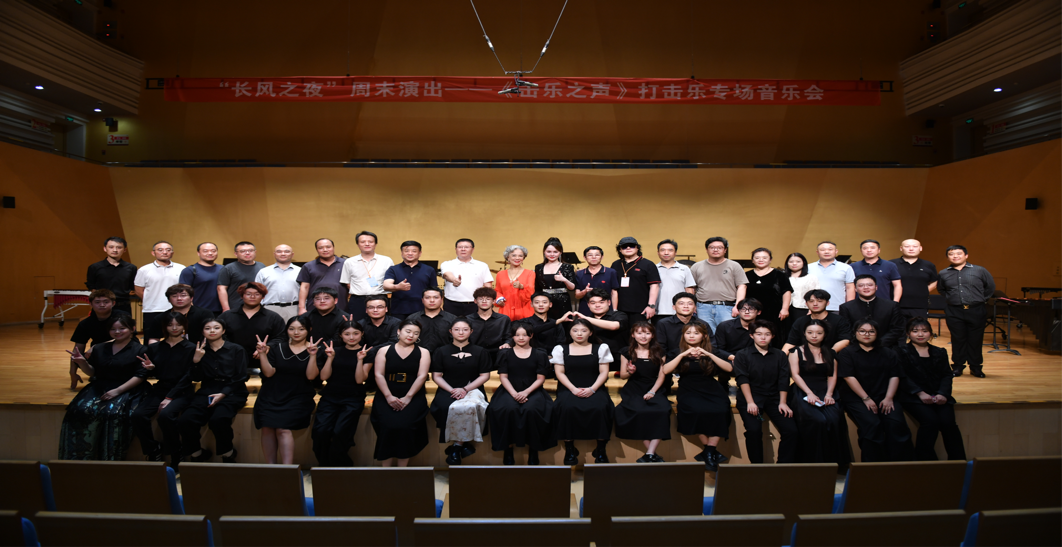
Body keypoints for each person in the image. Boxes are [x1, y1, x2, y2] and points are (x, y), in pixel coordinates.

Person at [60, 315, 148, 460]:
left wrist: (117, 391)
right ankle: (79, 458)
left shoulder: (141, 349)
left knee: (114, 413)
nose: (117, 332)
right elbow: (93, 372)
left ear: (132, 329)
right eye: (113, 329)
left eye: (122, 328)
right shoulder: (99, 348)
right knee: (78, 410)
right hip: (101, 386)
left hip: (128, 388)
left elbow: (140, 376)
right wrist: (82, 363)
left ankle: (110, 458)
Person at [837, 318, 915, 462]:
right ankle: (872, 467)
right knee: (872, 424)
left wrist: (889, 398)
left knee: (896, 424)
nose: (866, 334)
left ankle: (901, 466)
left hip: (885, 396)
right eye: (862, 331)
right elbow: (848, 377)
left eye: (871, 331)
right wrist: (866, 398)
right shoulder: (847, 353)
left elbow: (895, 375)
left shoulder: (888, 352)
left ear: (877, 333)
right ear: (855, 333)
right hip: (857, 398)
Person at [662, 322, 734, 471]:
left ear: (704, 336)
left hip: (711, 387)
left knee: (721, 410)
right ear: (683, 335)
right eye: (688, 333)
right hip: (688, 388)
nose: (692, 336)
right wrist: (683, 355)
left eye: (696, 333)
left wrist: (709, 354)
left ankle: (709, 451)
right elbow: (666, 370)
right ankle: (710, 451)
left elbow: (729, 368)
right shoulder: (677, 352)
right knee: (694, 411)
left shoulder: (712, 351)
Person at [176, 318, 249, 463]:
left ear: (223, 331)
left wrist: (223, 394)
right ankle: (197, 454)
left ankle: (228, 454)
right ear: (202, 332)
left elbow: (241, 377)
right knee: (186, 419)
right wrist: (196, 361)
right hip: (207, 390)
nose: (212, 331)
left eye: (216, 328)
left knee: (218, 419)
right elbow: (196, 378)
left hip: (232, 391)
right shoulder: (199, 350)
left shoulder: (236, 349)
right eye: (207, 328)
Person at [254, 316, 323, 465]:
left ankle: (288, 470)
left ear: (309, 330)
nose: (296, 332)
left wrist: (312, 356)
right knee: (267, 428)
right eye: (291, 329)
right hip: (271, 394)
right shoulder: (277, 347)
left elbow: (311, 376)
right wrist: (262, 354)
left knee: (282, 429)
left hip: (298, 395)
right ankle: (271, 469)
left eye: (301, 329)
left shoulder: (316, 349)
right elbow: (268, 373)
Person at [897, 318, 966, 461]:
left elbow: (947, 375)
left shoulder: (940, 351)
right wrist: (920, 393)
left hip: (939, 395)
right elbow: (902, 376)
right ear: (908, 334)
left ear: (930, 333)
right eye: (915, 331)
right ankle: (927, 462)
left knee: (949, 424)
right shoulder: (901, 351)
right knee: (930, 422)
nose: (920, 334)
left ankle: (958, 463)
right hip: (913, 396)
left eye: (924, 331)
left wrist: (943, 394)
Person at [132, 312, 196, 464]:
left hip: (182, 390)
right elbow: (156, 373)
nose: (174, 328)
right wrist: (151, 369)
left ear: (184, 326)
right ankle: (152, 450)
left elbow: (189, 376)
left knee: (166, 415)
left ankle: (176, 453)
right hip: (161, 388)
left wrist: (169, 397)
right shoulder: (155, 347)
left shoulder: (191, 348)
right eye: (170, 325)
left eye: (178, 325)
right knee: (138, 415)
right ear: (164, 327)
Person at [489, 322, 556, 465]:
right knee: (506, 409)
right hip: (509, 388)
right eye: (517, 335)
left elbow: (540, 378)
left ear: (531, 336)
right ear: (512, 336)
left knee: (533, 410)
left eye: (525, 335)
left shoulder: (540, 353)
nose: (521, 338)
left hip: (533, 388)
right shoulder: (505, 353)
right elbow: (503, 377)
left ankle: (534, 449)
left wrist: (526, 392)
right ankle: (508, 449)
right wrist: (514, 393)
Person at [551, 318, 615, 465]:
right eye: (575, 330)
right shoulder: (561, 349)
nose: (579, 334)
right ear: (570, 332)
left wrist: (592, 389)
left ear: (590, 333)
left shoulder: (601, 348)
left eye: (584, 330)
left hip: (595, 387)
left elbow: (603, 372)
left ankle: (601, 449)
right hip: (569, 388)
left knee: (601, 407)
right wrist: (573, 389)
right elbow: (560, 373)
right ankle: (569, 448)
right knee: (566, 407)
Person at [733, 320, 798, 464]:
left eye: (767, 334)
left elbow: (783, 379)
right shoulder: (742, 355)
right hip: (751, 397)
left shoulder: (780, 355)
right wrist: (750, 402)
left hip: (774, 398)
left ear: (772, 336)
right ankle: (758, 467)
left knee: (791, 430)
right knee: (753, 431)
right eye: (759, 334)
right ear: (751, 335)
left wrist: (783, 402)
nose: (763, 337)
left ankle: (783, 466)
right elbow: (742, 379)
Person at [429, 319, 492, 465]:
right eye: (457, 329)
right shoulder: (441, 351)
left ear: (471, 331)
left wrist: (464, 389)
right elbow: (436, 376)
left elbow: (485, 376)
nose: (461, 332)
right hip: (448, 389)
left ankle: (457, 446)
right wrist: (452, 390)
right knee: (443, 407)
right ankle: (461, 445)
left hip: (473, 388)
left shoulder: (480, 351)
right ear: (450, 331)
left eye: (465, 329)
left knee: (470, 406)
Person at [788, 319, 850, 466]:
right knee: (817, 420)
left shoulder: (830, 353)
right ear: (804, 333)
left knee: (834, 419)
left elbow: (832, 375)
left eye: (818, 333)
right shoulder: (796, 351)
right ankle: (813, 463)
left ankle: (834, 464)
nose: (814, 336)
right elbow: (795, 375)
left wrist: (829, 394)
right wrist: (809, 393)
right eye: (810, 332)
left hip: (825, 390)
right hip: (803, 391)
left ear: (825, 334)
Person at [370, 319, 432, 467]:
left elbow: (422, 376)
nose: (411, 335)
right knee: (387, 427)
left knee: (406, 427)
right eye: (408, 331)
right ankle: (386, 470)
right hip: (387, 392)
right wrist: (388, 396)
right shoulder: (384, 350)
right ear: (399, 332)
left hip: (413, 393)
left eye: (416, 333)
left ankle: (402, 470)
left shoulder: (423, 352)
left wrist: (408, 397)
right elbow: (378, 374)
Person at [313, 321, 372, 466]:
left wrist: (360, 360)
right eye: (347, 334)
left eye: (356, 333)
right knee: (320, 431)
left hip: (353, 398)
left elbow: (360, 380)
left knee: (340, 432)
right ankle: (325, 467)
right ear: (340, 335)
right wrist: (330, 358)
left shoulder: (367, 353)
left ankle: (341, 467)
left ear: (362, 334)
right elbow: (323, 377)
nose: (351, 337)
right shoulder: (333, 351)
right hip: (330, 396)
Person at [615, 322, 671, 462]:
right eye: (639, 333)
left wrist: (652, 392)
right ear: (633, 335)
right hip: (634, 388)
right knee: (637, 412)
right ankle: (652, 454)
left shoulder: (660, 352)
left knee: (663, 410)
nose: (643, 336)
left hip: (655, 387)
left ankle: (649, 453)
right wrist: (630, 371)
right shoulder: (626, 352)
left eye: (647, 333)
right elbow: (623, 376)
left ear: (652, 335)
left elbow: (661, 376)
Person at [938, 245, 995, 378]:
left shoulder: (979, 270)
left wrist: (980, 299)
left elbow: (990, 287)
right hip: (954, 311)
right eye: (951, 254)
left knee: (975, 339)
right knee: (957, 339)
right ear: (947, 257)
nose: (955, 256)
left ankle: (976, 367)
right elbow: (941, 289)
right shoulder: (943, 273)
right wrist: (952, 298)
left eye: (959, 253)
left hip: (976, 309)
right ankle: (958, 367)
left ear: (966, 255)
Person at [68, 289, 133, 390]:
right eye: (97, 302)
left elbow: (130, 336)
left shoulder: (122, 316)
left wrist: (95, 347)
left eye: (106, 302)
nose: (102, 305)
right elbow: (77, 349)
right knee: (82, 358)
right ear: (91, 304)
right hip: (101, 352)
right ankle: (99, 374)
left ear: (113, 303)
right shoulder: (85, 323)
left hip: (124, 347)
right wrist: (72, 373)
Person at [217, 282, 286, 372]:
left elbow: (281, 337)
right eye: (248, 294)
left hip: (264, 360)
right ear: (241, 296)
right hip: (231, 360)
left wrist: (268, 347)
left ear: (263, 297)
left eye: (257, 294)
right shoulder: (227, 316)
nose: (252, 297)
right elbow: (218, 336)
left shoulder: (273, 317)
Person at [689, 237, 748, 333]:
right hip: (703, 307)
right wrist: (692, 305)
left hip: (727, 307)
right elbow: (690, 287)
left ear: (725, 250)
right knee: (705, 335)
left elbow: (742, 286)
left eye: (719, 247)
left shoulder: (734, 266)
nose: (715, 250)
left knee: (728, 334)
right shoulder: (696, 266)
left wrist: (738, 306)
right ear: (706, 249)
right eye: (712, 247)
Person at [839, 275, 906, 347]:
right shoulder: (846, 307)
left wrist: (879, 344)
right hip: (856, 347)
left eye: (870, 285)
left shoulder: (892, 306)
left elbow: (897, 329)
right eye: (861, 285)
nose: (866, 287)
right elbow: (847, 331)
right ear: (855, 289)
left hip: (886, 347)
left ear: (876, 287)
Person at [341, 231, 394, 321]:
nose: (367, 244)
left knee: (381, 325)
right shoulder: (349, 262)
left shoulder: (386, 260)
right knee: (357, 325)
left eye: (370, 241)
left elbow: (391, 280)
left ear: (375, 244)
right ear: (358, 244)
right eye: (363, 242)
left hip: (380, 299)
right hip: (358, 300)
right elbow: (347, 282)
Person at [744, 248, 793, 347]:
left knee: (774, 336)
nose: (761, 260)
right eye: (757, 258)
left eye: (764, 257)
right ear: (752, 260)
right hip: (753, 312)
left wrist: (785, 309)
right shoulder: (747, 275)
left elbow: (786, 292)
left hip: (775, 312)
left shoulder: (780, 275)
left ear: (770, 259)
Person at [782, 290, 852, 354]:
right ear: (806, 303)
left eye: (819, 301)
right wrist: (781, 357)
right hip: (806, 357)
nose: (815, 304)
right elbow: (791, 342)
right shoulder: (800, 321)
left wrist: (831, 352)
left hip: (832, 356)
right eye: (811, 301)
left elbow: (846, 340)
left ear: (827, 303)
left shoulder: (839, 320)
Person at [383, 240, 438, 320]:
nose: (410, 253)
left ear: (420, 253)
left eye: (414, 251)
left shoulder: (429, 270)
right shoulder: (393, 269)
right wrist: (397, 287)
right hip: (399, 310)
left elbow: (434, 290)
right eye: (406, 251)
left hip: (422, 310)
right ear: (402, 253)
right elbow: (386, 285)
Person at [134, 241, 185, 328]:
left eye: (168, 250)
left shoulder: (181, 268)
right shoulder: (144, 270)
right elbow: (138, 290)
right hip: (152, 309)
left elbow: (185, 289)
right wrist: (150, 300)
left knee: (176, 334)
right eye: (160, 250)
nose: (164, 252)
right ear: (153, 253)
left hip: (176, 309)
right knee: (152, 335)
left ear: (172, 253)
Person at [611, 237, 661, 323]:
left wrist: (651, 306)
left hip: (641, 310)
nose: (628, 248)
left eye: (632, 246)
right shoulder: (616, 264)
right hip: (620, 310)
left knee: (639, 331)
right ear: (620, 250)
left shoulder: (648, 264)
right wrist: (614, 310)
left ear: (637, 248)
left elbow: (654, 286)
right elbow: (613, 288)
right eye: (624, 246)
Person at [578, 288, 628, 371]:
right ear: (588, 305)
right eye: (593, 303)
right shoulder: (585, 321)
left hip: (618, 359)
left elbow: (614, 326)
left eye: (601, 302)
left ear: (609, 302)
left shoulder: (619, 315)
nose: (597, 305)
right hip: (593, 360)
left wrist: (586, 319)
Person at [440, 238, 493, 317]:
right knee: (451, 324)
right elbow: (447, 275)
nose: (463, 249)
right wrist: (454, 280)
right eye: (460, 247)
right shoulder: (447, 264)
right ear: (455, 249)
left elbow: (488, 285)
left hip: (474, 304)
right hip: (452, 304)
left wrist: (489, 301)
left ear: (473, 249)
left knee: (475, 324)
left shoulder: (482, 265)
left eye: (466, 247)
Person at [145, 284, 214, 344]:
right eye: (174, 296)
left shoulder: (204, 314)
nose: (179, 299)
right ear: (169, 300)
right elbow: (153, 339)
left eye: (183, 295)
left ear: (191, 298)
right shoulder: (161, 317)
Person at [889, 239, 939, 319]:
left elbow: (935, 281)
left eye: (915, 246)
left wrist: (924, 290)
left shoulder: (928, 265)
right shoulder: (891, 264)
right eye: (907, 246)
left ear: (920, 248)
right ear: (901, 248)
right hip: (896, 304)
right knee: (896, 326)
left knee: (919, 326)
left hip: (920, 305)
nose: (911, 249)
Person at [85, 237, 137, 314]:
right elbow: (92, 286)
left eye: (119, 247)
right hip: (101, 306)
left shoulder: (131, 268)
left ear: (124, 250)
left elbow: (133, 287)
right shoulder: (94, 267)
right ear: (105, 249)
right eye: (111, 247)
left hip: (123, 306)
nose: (115, 250)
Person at [297, 238, 347, 315]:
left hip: (340, 304)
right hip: (315, 306)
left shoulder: (346, 263)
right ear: (317, 250)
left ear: (333, 248)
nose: (325, 250)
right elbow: (304, 287)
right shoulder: (308, 266)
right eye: (320, 248)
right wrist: (301, 308)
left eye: (328, 247)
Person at [655, 293, 710, 360]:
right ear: (674, 307)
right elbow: (660, 347)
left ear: (695, 307)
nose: (686, 306)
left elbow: (710, 345)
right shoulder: (664, 324)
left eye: (690, 304)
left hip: (698, 359)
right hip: (671, 360)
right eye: (681, 303)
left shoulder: (702, 324)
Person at [256, 244, 302, 322]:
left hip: (294, 308)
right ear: (274, 254)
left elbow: (306, 291)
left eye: (286, 251)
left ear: (292, 254)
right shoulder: (264, 272)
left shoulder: (300, 271)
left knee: (293, 329)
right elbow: (257, 291)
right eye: (279, 251)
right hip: (269, 308)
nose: (283, 254)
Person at [655, 239, 697, 324]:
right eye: (663, 250)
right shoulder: (653, 268)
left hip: (680, 311)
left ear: (675, 253)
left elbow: (689, 290)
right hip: (658, 311)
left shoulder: (684, 269)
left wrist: (692, 307)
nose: (666, 253)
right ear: (658, 253)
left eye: (670, 250)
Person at [466, 287, 512, 364]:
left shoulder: (504, 319)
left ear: (494, 301)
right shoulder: (467, 320)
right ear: (475, 301)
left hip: (498, 354)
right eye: (481, 299)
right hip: (475, 355)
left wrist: (507, 344)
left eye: (488, 299)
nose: (484, 301)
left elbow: (509, 337)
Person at [534, 237, 577, 319]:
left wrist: (564, 280)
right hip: (544, 303)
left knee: (564, 324)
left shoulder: (568, 267)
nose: (552, 254)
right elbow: (537, 289)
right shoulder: (538, 267)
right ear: (544, 252)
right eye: (549, 252)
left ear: (560, 252)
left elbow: (572, 288)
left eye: (555, 252)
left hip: (562, 302)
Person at [217, 241, 265, 312]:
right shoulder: (228, 268)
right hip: (236, 307)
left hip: (258, 307)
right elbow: (221, 289)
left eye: (250, 250)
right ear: (236, 254)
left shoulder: (262, 266)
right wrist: (225, 308)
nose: (247, 253)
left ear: (255, 252)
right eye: (243, 251)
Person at [406, 288, 457, 353]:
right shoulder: (413, 318)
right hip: (417, 355)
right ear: (422, 300)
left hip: (445, 355)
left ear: (442, 300)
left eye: (436, 297)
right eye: (427, 298)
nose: (432, 300)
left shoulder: (452, 319)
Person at [178, 242, 222, 314]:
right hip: (199, 311)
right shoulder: (190, 270)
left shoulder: (224, 269)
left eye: (213, 251)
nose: (210, 253)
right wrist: (192, 311)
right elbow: (184, 293)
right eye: (205, 251)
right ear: (198, 253)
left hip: (221, 311)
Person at [810, 241, 855, 311]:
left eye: (830, 249)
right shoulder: (809, 268)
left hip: (838, 307)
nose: (826, 252)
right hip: (813, 308)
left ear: (836, 251)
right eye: (823, 250)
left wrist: (849, 306)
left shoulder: (846, 268)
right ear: (817, 252)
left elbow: (850, 288)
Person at [575, 246, 619, 315]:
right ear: (585, 257)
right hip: (585, 310)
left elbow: (614, 293)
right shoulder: (579, 273)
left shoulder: (611, 272)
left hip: (606, 310)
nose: (594, 257)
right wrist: (584, 292)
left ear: (602, 257)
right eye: (590, 255)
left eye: (597, 255)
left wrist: (615, 310)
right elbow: (577, 296)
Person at [783, 252, 819, 337]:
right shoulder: (782, 277)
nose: (794, 264)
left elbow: (815, 294)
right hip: (784, 309)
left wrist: (811, 310)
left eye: (798, 261)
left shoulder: (811, 277)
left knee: (801, 331)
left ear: (804, 263)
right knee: (785, 332)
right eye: (791, 261)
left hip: (803, 308)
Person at [495, 244, 535, 320]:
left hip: (524, 311)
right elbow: (497, 291)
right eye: (514, 255)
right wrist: (499, 299)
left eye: (520, 256)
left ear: (523, 258)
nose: (517, 258)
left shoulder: (530, 273)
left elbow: (531, 292)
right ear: (508, 257)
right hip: (505, 310)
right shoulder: (500, 274)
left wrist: (521, 287)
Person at [357, 295, 401, 362]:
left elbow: (394, 342)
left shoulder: (396, 323)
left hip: (389, 356)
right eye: (371, 307)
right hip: (365, 356)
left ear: (386, 309)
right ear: (366, 310)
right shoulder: (360, 324)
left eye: (379, 307)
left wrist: (372, 350)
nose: (375, 310)